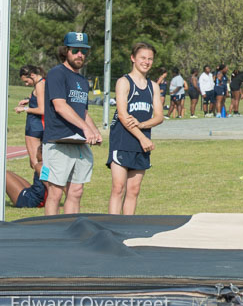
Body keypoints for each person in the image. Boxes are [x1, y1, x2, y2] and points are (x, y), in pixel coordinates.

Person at [41, 32, 103, 216]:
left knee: (76, 192)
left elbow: (82, 112)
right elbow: (60, 106)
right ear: (66, 51)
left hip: (78, 142)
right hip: (58, 141)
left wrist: (94, 131)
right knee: (55, 193)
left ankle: (71, 233)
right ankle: (51, 235)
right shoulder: (56, 74)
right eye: (75, 50)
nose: (80, 55)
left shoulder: (82, 80)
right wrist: (85, 128)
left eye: (84, 51)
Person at [108, 42, 163, 215]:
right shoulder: (124, 82)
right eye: (142, 58)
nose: (146, 62)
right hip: (123, 141)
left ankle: (127, 227)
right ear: (133, 58)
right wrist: (142, 137)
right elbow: (123, 116)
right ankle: (112, 227)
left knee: (134, 189)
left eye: (150, 59)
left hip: (142, 143)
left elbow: (159, 116)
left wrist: (143, 126)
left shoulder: (152, 86)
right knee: (118, 187)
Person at [15, 64, 45, 177]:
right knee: (40, 163)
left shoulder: (40, 85)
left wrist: (24, 109)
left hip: (35, 128)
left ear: (32, 75)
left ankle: (44, 192)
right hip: (39, 126)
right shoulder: (42, 82)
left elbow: (42, 110)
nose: (26, 84)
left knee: (35, 164)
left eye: (27, 81)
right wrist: (28, 99)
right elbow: (38, 98)